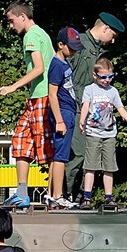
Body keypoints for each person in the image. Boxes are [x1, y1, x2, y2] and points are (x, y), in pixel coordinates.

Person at [0, 0, 55, 208]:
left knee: (45, 147)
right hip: (35, 98)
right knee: (21, 141)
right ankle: (21, 193)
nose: (12, 26)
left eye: (12, 21)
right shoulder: (41, 34)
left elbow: (38, 68)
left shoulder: (31, 35)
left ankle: (54, 195)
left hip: (42, 97)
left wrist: (13, 86)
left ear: (23, 17)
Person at [65, 13, 125, 202]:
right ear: (105, 28)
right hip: (74, 108)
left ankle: (82, 197)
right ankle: (64, 195)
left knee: (89, 158)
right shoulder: (79, 43)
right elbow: (65, 74)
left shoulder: (97, 51)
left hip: (92, 116)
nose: (113, 41)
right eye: (113, 35)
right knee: (77, 155)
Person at [78, 58, 127, 209]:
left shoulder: (113, 91)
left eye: (110, 76)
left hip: (109, 134)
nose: (107, 80)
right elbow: (85, 106)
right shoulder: (90, 89)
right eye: (103, 77)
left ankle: (109, 198)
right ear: (95, 75)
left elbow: (122, 111)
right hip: (93, 132)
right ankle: (87, 197)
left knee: (109, 167)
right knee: (91, 166)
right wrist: (82, 121)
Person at [44, 27, 84, 209]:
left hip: (68, 111)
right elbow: (52, 94)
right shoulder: (56, 65)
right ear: (60, 45)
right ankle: (58, 195)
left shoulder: (64, 63)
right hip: (62, 113)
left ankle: (51, 194)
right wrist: (59, 120)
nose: (74, 51)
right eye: (72, 48)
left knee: (58, 156)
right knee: (61, 156)